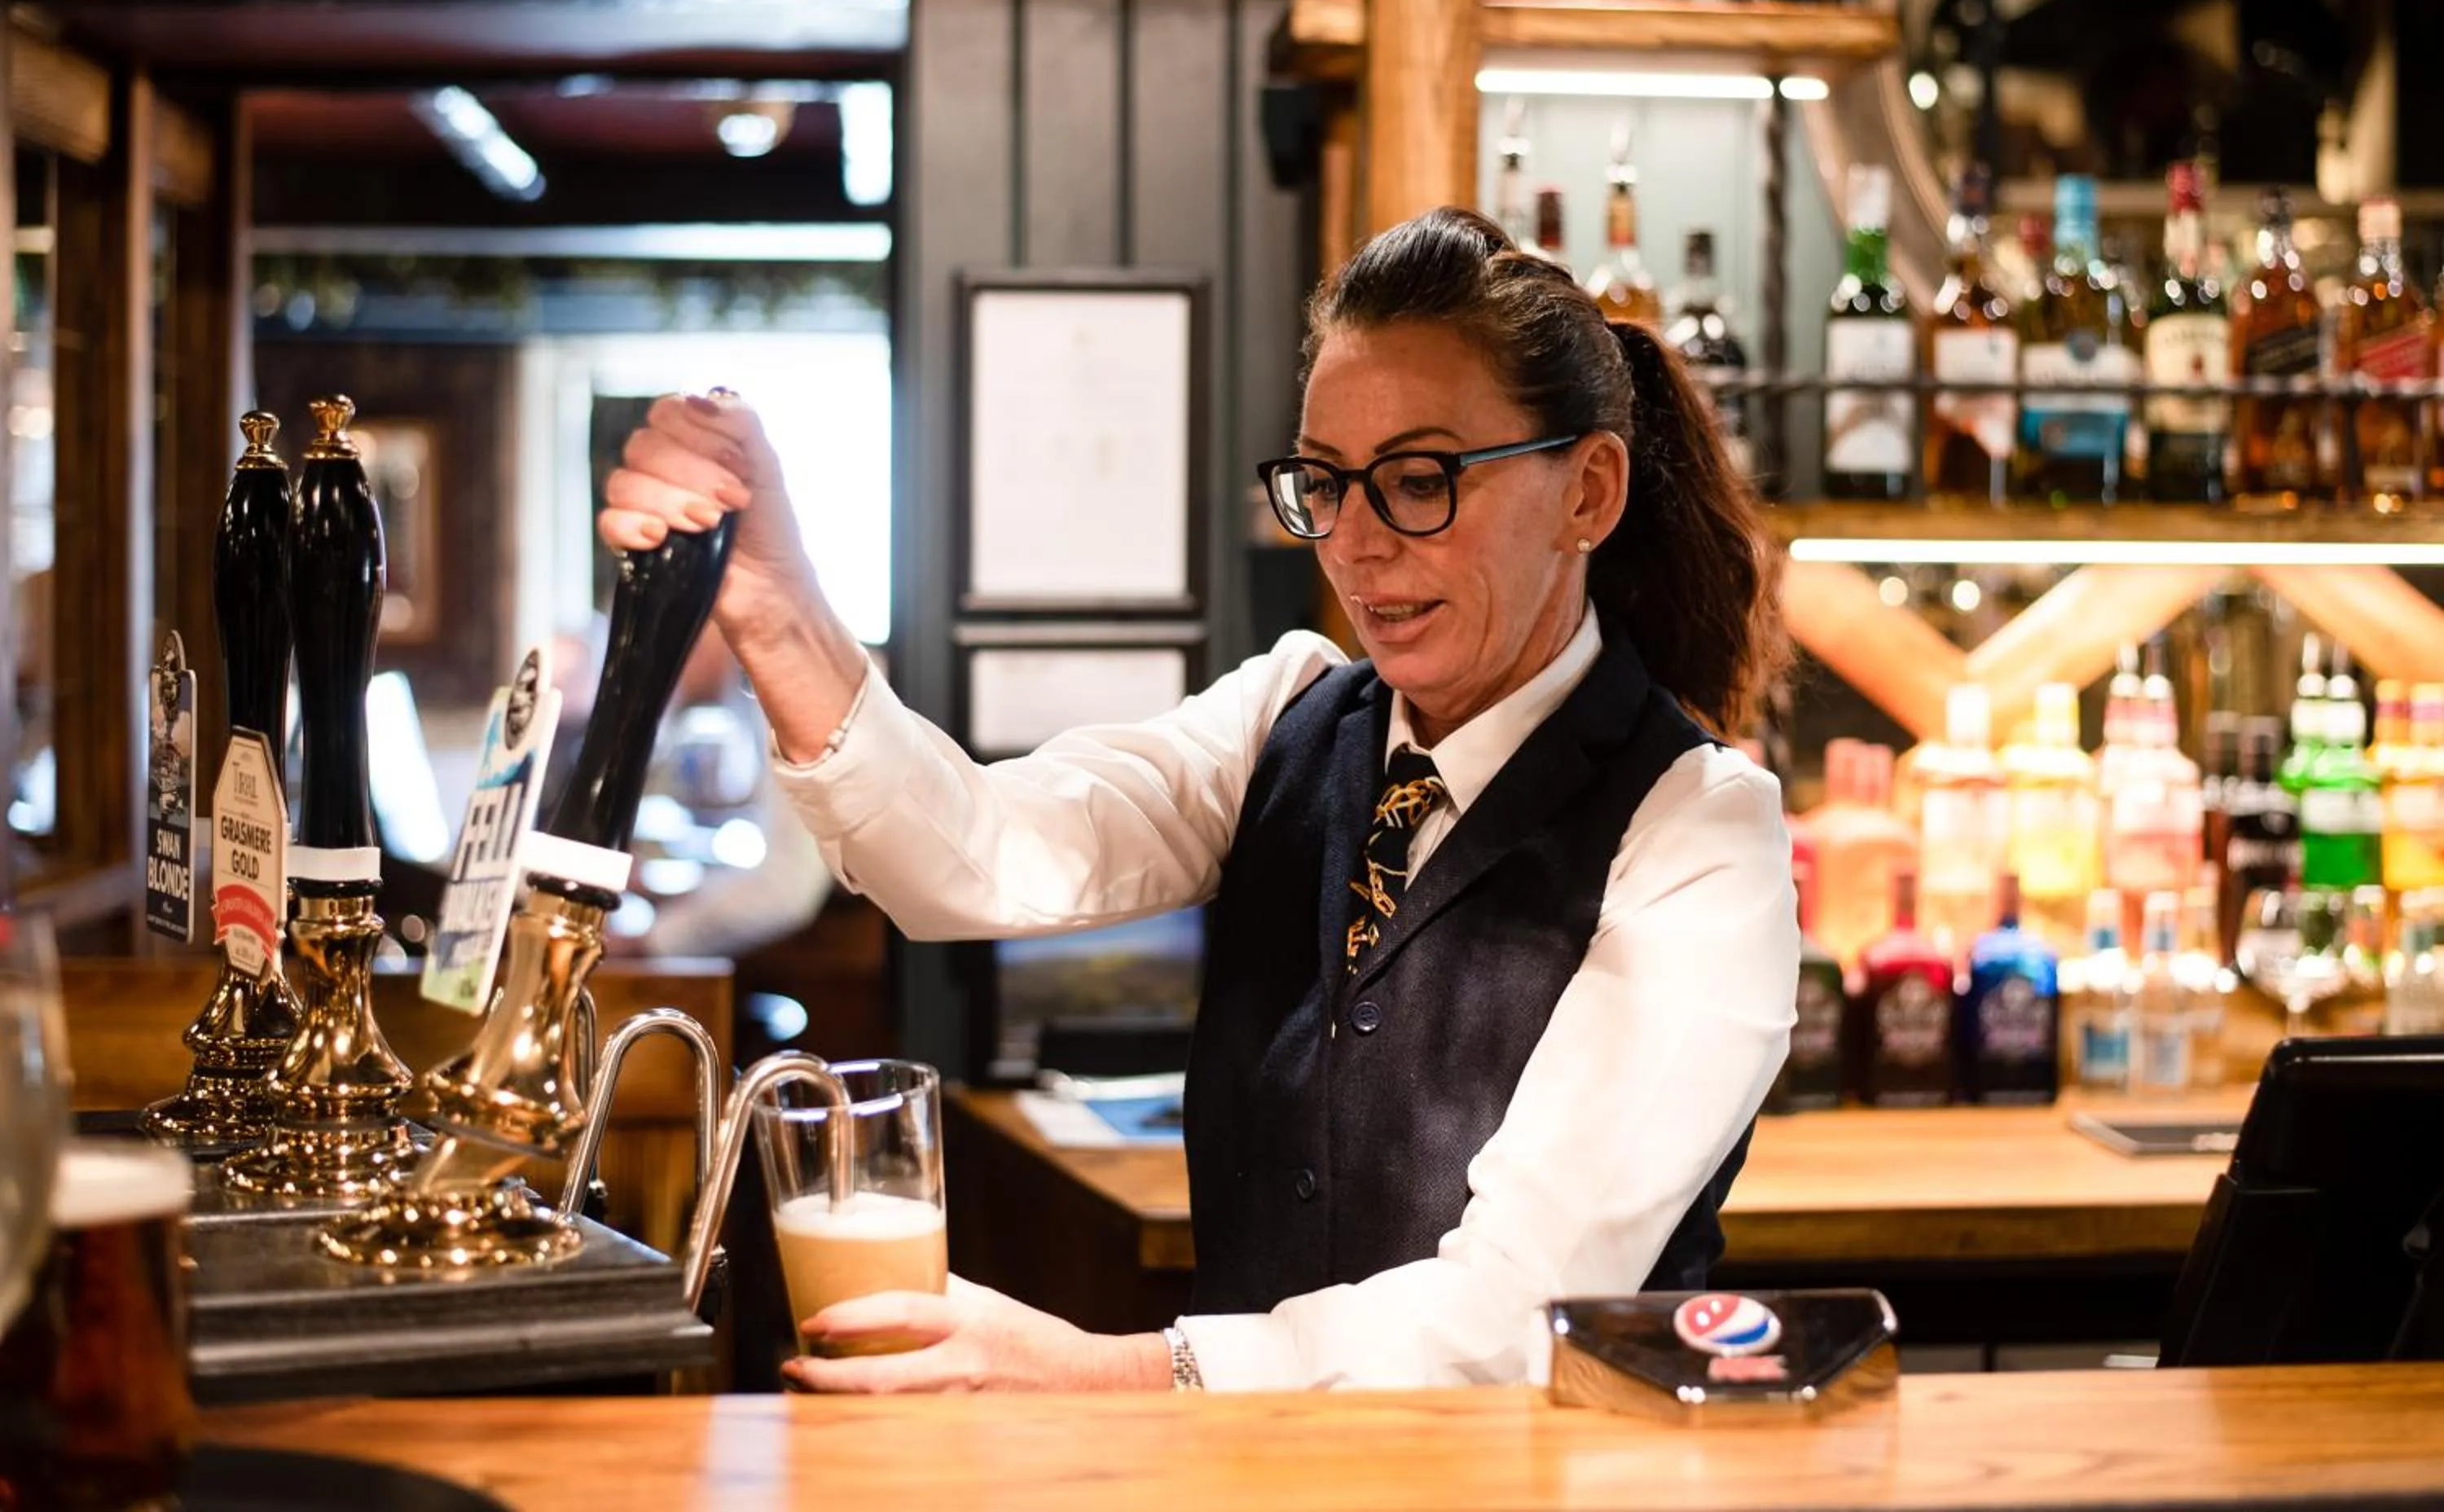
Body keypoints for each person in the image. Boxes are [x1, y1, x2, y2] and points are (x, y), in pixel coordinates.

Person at [600, 206, 1797, 1393]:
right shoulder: (1288, 715)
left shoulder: (1700, 831)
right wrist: (777, 608)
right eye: (1325, 482)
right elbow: (969, 854)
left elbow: (1512, 1312)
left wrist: (1107, 1374)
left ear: (1589, 491)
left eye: (1422, 479)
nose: (1359, 543)